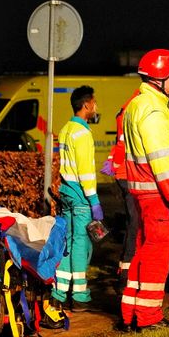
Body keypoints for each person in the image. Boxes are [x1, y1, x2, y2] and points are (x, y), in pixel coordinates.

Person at [119, 48, 169, 332]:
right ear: (159, 77)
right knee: (158, 253)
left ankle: (131, 312)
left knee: (143, 250)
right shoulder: (154, 110)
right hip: (157, 192)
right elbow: (162, 159)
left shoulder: (138, 105)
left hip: (144, 191)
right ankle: (148, 318)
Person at [50, 85, 104, 320]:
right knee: (82, 244)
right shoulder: (83, 134)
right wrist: (94, 200)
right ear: (86, 105)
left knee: (68, 243)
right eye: (94, 102)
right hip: (81, 196)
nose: (96, 106)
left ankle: (59, 294)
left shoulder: (65, 129)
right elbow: (85, 171)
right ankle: (80, 297)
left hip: (66, 194)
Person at [100, 88, 141, 295]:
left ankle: (127, 271)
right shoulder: (139, 107)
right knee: (136, 224)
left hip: (126, 173)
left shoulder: (127, 107)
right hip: (133, 173)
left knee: (133, 223)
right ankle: (128, 276)